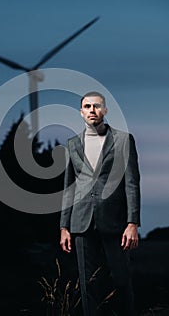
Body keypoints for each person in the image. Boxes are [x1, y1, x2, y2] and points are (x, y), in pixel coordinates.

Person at [60, 91, 141, 316]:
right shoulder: (72, 144)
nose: (92, 110)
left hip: (115, 222)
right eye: (87, 107)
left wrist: (132, 222)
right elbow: (70, 187)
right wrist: (64, 226)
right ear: (81, 112)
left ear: (105, 110)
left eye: (97, 106)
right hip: (81, 222)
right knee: (88, 287)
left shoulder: (124, 140)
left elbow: (132, 183)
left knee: (122, 280)